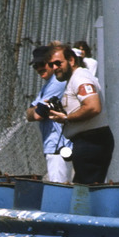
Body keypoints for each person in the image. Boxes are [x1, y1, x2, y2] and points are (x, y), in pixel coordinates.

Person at [46, 41, 114, 184]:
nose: (55, 68)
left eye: (58, 63)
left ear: (71, 60)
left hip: (92, 141)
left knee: (85, 190)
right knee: (85, 187)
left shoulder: (80, 78)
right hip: (87, 141)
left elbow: (93, 107)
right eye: (51, 65)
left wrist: (67, 117)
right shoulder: (75, 79)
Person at [25, 45, 73, 183]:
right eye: (36, 66)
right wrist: (33, 111)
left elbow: (37, 114)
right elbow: (30, 112)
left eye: (42, 64)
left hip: (59, 146)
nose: (39, 68)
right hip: (54, 145)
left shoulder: (57, 83)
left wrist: (33, 111)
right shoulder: (48, 84)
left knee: (58, 189)